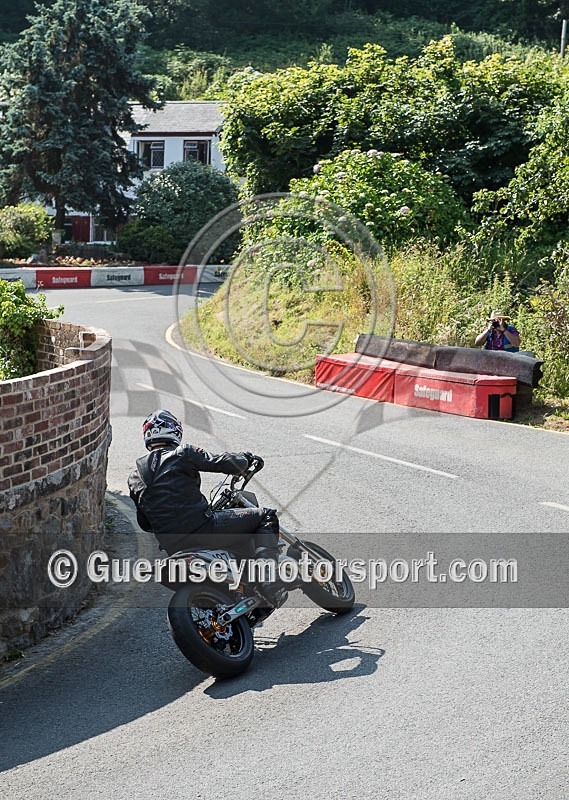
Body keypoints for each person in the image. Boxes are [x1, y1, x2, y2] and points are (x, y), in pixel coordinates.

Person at [127, 409, 282, 601]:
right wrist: (244, 459)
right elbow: (220, 462)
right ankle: (268, 578)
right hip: (204, 528)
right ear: (175, 431)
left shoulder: (134, 478)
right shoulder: (182, 453)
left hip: (173, 546)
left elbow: (145, 523)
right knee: (265, 516)